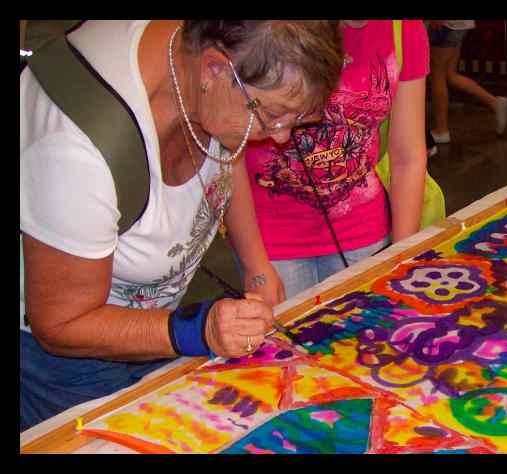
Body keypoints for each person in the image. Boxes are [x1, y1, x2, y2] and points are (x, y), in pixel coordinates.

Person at [20, 20, 343, 431]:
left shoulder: (206, 73)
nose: (278, 139)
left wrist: (257, 264)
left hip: (155, 315)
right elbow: (60, 325)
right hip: (62, 358)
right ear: (214, 69)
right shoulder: (75, 149)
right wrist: (194, 331)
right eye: (274, 117)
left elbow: (229, 150)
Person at [240, 20, 429, 299]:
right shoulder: (266, 30)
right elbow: (228, 153)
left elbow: (408, 156)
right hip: (270, 238)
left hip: (364, 231)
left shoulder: (404, 30)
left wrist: (402, 257)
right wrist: (254, 265)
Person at [426, 20, 507, 144]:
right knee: (450, 74)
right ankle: (495, 102)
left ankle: (441, 130)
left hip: (445, 25)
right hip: (458, 25)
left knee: (437, 74)